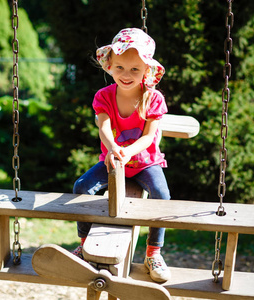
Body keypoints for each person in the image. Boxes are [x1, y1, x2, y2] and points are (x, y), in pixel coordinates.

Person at [72, 28, 171, 283]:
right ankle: (84, 245)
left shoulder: (153, 99)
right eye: (120, 67)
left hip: (145, 162)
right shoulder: (103, 96)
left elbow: (149, 137)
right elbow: (103, 127)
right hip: (114, 161)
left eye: (135, 69)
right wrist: (114, 149)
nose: (126, 75)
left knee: (162, 195)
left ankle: (154, 252)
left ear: (147, 71)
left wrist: (128, 151)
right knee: (81, 186)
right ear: (110, 65)